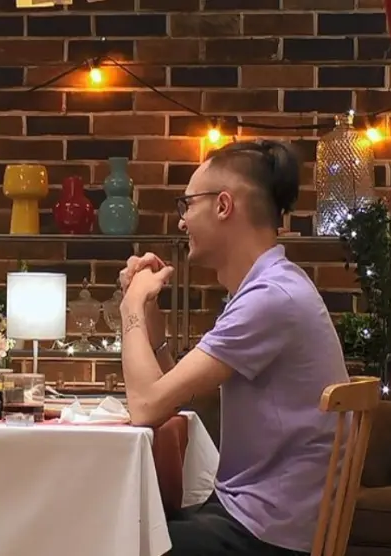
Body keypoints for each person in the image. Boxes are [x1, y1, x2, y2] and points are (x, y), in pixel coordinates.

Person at [117, 140, 349, 556]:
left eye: (188, 204)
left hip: (267, 533)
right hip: (261, 517)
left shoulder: (271, 298)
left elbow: (146, 406)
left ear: (223, 205)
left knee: (104, 536)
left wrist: (130, 305)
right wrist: (149, 313)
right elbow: (172, 393)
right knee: (120, 524)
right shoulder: (272, 285)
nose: (182, 221)